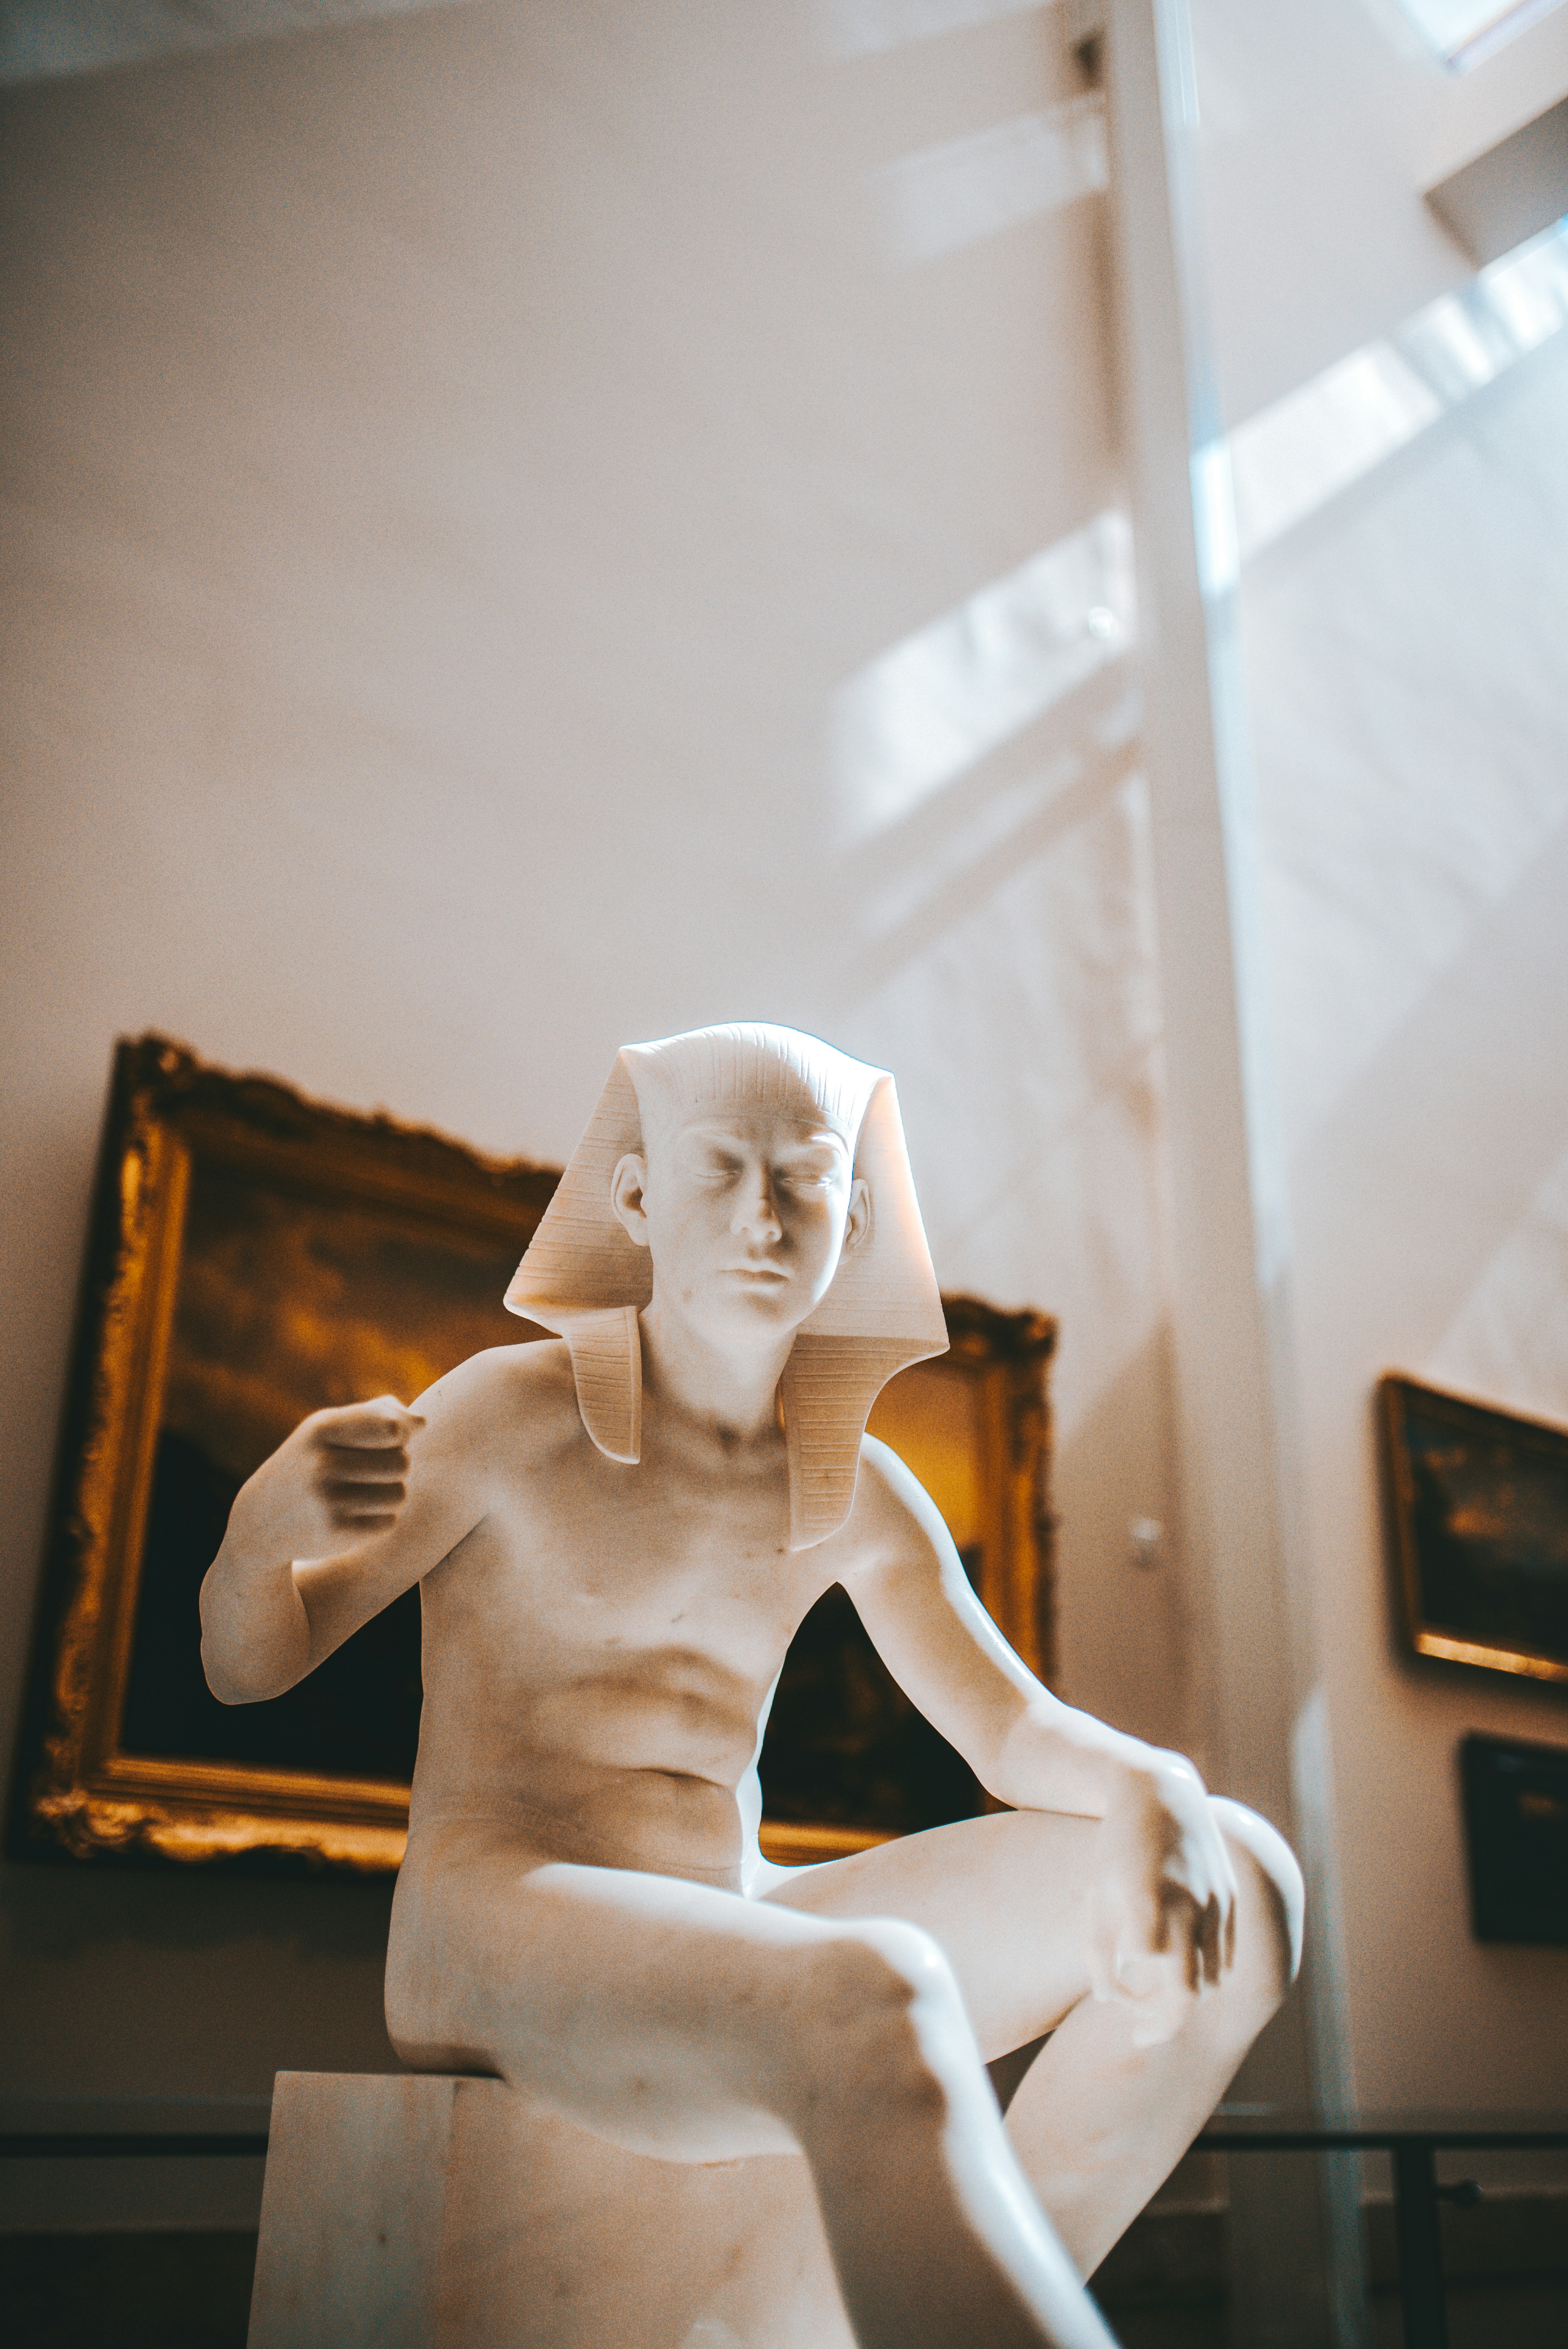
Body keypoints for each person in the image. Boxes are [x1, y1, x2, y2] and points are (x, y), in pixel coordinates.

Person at [200, 1023, 1302, 2349]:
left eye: (806, 1178)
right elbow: (250, 1671)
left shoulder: (850, 1485)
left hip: (734, 1905)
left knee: (1241, 1875)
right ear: (636, 1198)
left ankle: (924, 2312)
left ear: (856, 1216)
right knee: (871, 1995)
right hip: (497, 1915)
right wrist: (266, 1533)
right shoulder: (508, 1417)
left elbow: (1008, 1730)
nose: (764, 1216)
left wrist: (1157, 1786)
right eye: (720, 1168)